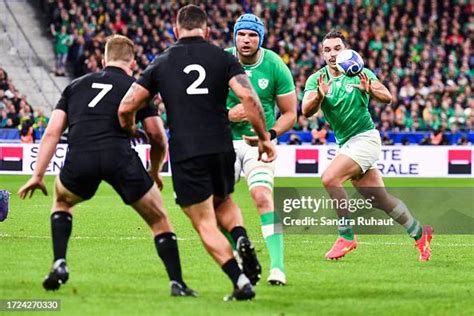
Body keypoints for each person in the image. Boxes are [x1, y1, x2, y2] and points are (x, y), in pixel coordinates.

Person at [118, 5, 276, 300]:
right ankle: (241, 236)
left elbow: (127, 106)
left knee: (204, 221)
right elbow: (249, 98)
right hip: (220, 145)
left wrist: (129, 128)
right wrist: (265, 138)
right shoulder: (223, 57)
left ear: (175, 31)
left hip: (186, 150)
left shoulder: (161, 62)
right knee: (224, 200)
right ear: (206, 31)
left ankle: (239, 280)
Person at [18, 35, 196, 297]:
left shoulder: (75, 86)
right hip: (119, 157)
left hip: (81, 157)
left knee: (62, 202)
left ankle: (59, 262)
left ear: (103, 59)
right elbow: (158, 137)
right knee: (159, 219)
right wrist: (154, 171)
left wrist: (38, 175)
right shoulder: (137, 88)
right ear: (132, 62)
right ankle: (177, 283)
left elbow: (52, 133)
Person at [302, 30, 433, 261]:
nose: (333, 54)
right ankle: (420, 233)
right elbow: (305, 110)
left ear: (346, 50)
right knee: (380, 199)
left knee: (330, 178)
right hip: (346, 144)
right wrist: (319, 96)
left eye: (337, 48)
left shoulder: (359, 72)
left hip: (365, 138)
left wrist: (370, 89)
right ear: (322, 54)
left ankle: (346, 236)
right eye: (327, 50)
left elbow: (387, 96)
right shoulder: (317, 80)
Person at [224, 14, 297, 286]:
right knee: (219, 203)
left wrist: (270, 134)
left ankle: (277, 268)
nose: (246, 39)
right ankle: (240, 250)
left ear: (260, 38)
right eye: (242, 34)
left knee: (263, 196)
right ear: (235, 36)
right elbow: (203, 106)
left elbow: (290, 113)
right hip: (224, 143)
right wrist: (227, 115)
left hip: (259, 145)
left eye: (252, 35)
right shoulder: (222, 61)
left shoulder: (275, 65)